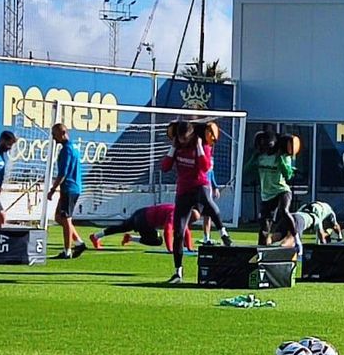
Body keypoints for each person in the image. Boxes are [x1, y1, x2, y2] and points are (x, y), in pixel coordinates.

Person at [161, 121, 232, 285]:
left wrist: (199, 146)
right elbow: (165, 167)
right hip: (183, 191)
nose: (183, 141)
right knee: (179, 232)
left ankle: (222, 231)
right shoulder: (178, 147)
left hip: (200, 185)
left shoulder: (202, 145)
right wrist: (173, 148)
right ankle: (178, 271)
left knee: (207, 201)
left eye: (186, 138)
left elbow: (205, 167)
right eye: (180, 138)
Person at [248, 131, 295, 245]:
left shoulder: (284, 156)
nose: (265, 149)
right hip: (266, 194)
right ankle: (261, 248)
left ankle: (295, 236)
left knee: (284, 211)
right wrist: (253, 158)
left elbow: (288, 175)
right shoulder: (261, 157)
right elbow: (247, 170)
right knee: (264, 225)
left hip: (281, 190)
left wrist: (280, 160)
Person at [47, 123, 86, 259]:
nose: (53, 138)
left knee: (66, 219)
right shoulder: (74, 147)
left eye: (54, 134)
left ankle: (67, 251)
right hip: (73, 187)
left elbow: (63, 173)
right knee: (59, 217)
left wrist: (52, 190)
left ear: (62, 133)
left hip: (69, 188)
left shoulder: (66, 150)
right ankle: (79, 243)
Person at [89, 202, 187, 251]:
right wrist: (170, 249)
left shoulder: (177, 208)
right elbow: (167, 230)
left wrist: (190, 248)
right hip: (144, 220)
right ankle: (131, 238)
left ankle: (96, 236)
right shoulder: (175, 213)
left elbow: (186, 230)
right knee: (157, 241)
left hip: (141, 212)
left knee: (122, 227)